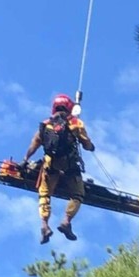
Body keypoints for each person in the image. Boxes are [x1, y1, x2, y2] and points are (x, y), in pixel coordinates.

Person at [21, 94, 95, 244]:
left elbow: (34, 144)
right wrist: (90, 146)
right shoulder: (75, 123)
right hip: (69, 167)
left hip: (50, 166)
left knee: (44, 194)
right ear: (69, 107)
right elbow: (87, 144)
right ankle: (66, 221)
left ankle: (44, 225)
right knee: (78, 194)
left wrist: (25, 160)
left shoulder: (45, 124)